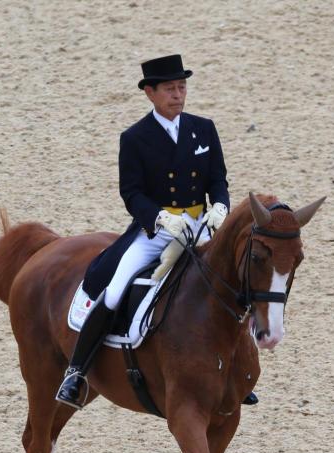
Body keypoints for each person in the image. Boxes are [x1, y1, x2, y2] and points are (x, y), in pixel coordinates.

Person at [56, 54, 258, 410]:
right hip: (157, 234)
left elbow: (217, 179)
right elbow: (131, 193)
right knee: (116, 290)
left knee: (237, 282)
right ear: (150, 92)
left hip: (200, 227)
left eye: (181, 87)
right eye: (169, 89)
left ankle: (238, 372)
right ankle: (76, 371)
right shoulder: (134, 138)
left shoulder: (203, 128)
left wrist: (221, 206)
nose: (178, 95)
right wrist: (163, 218)